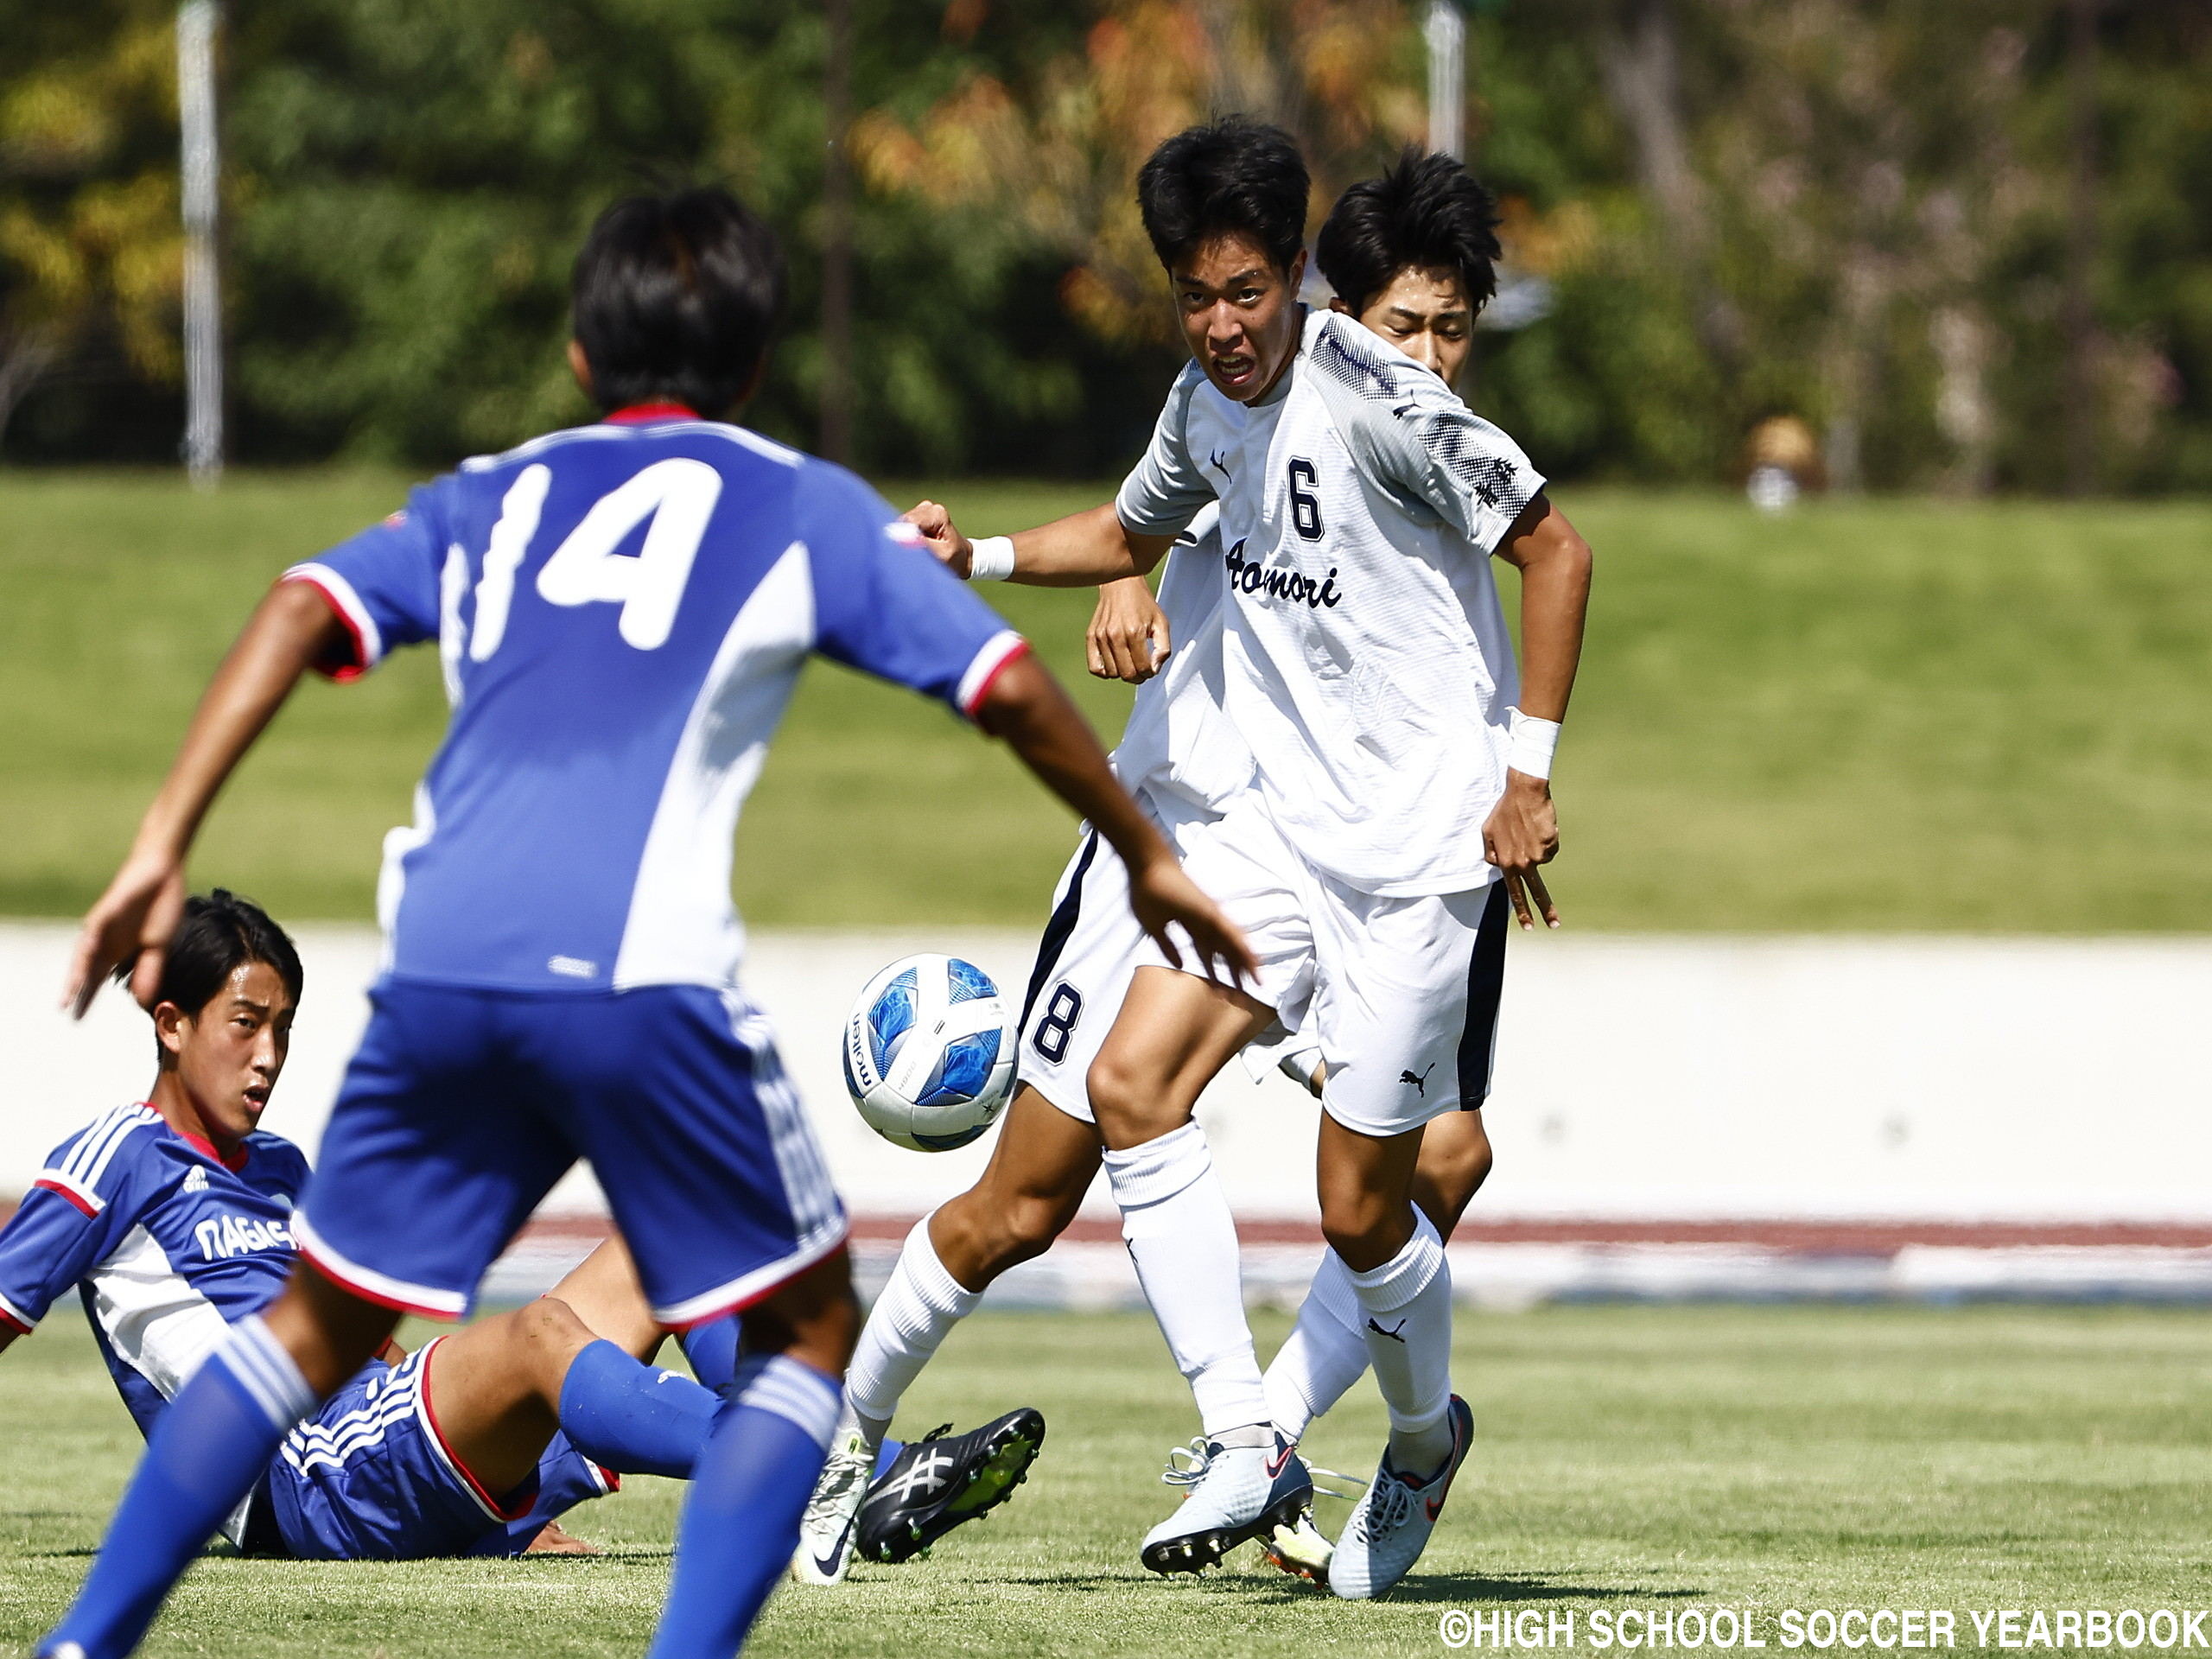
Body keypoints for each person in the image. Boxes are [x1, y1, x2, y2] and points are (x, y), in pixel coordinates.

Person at [37, 186, 1250, 1659]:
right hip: (633, 976)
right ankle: (813, 1485)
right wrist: (1145, 851)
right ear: (749, 369)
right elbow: (997, 683)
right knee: (803, 1338)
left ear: (574, 353)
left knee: (356, 1322)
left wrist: (160, 843)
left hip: (446, 964)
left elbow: (300, 604)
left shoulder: (494, 491)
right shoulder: (785, 496)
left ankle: (82, 1644)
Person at [794, 148, 1535, 1593]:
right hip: (1182, 836)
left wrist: (1510, 788)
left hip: (1349, 855)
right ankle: (852, 1431)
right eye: (1407, 330)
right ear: (1340, 312)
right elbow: (1154, 511)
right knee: (1024, 1200)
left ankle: (1267, 1445)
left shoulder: (1401, 436)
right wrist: (1095, 568)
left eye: (1454, 332)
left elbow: (1471, 622)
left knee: (1439, 1160)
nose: (1431, 361)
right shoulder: (1243, 392)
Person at [0, 890, 721, 1562]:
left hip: (371, 1439)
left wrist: (478, 1457)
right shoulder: (117, 1157)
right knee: (539, 1333)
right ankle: (786, 1460)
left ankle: (788, 1432)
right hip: (300, 1475)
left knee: (666, 1239)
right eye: (246, 1024)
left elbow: (364, 1339)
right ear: (172, 1024)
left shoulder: (280, 1168)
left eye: (282, 1029)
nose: (268, 1057)